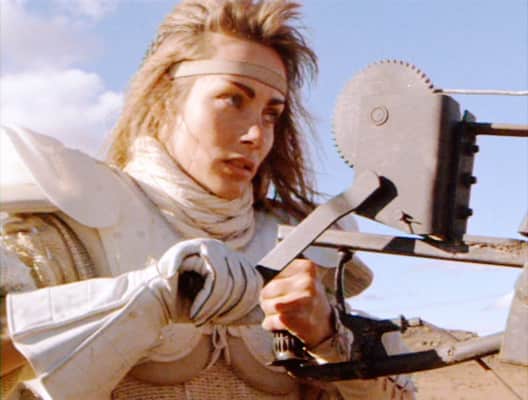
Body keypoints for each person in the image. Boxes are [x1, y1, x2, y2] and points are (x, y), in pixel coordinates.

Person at [0, 0, 415, 398]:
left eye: (271, 114)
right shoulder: (73, 221)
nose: (256, 134)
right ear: (164, 98)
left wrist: (330, 340)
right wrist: (137, 301)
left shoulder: (304, 248)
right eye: (233, 100)